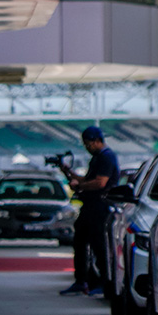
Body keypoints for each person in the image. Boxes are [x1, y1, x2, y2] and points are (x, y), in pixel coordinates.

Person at [58, 127, 118, 296]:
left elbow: (100, 183)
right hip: (91, 206)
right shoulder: (98, 158)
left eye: (88, 144)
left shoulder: (106, 157)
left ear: (97, 141)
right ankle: (82, 280)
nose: (87, 147)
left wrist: (80, 186)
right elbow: (88, 179)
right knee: (81, 242)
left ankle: (100, 281)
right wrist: (69, 172)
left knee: (98, 246)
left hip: (99, 207)